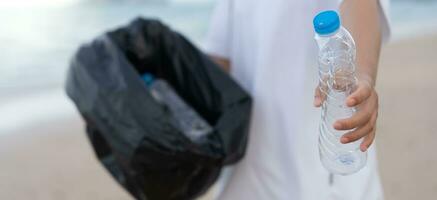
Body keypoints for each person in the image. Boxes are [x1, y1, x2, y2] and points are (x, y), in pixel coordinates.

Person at [204, 0, 390, 199]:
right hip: (246, 177)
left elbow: (360, 5)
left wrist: (361, 76)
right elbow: (219, 60)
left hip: (322, 176)